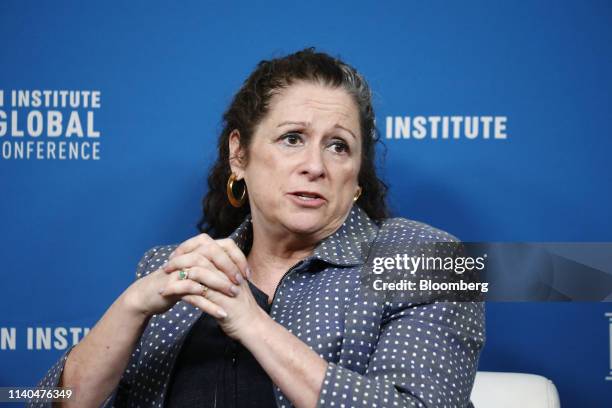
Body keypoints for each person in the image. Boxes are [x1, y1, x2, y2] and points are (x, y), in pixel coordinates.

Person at [29, 47, 485, 408]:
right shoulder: (172, 269)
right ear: (239, 155)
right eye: (292, 139)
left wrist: (251, 323)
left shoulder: (429, 258)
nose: (315, 166)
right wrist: (131, 307)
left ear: (357, 174)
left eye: (339, 147)